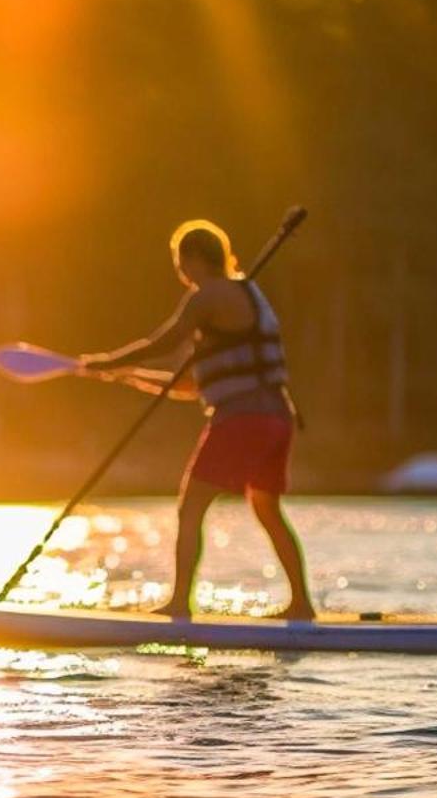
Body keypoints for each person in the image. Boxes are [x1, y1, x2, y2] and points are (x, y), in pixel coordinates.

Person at [79, 219, 314, 620]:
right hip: (276, 419)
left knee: (190, 509)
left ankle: (178, 605)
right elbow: (188, 385)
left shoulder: (207, 296)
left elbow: (165, 341)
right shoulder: (243, 295)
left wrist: (106, 361)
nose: (179, 271)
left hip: (243, 420)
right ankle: (302, 605)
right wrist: (130, 375)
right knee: (268, 510)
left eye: (179, 261)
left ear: (191, 259)